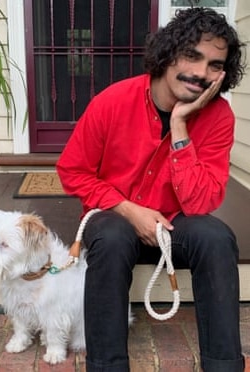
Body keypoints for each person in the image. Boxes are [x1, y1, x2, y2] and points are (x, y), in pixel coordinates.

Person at [56, 7, 246, 372]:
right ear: (169, 52)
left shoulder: (219, 116)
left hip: (174, 225)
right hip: (114, 220)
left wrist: (180, 127)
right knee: (111, 237)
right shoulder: (113, 101)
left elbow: (202, 201)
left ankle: (224, 366)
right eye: (192, 56)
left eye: (215, 65)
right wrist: (127, 209)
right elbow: (73, 171)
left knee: (217, 237)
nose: (201, 73)